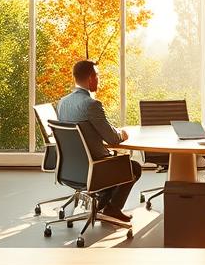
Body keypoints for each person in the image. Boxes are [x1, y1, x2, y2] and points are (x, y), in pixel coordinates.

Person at [57, 60, 142, 223]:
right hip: (94, 169)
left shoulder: (63, 103)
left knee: (116, 164)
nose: (99, 80)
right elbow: (112, 138)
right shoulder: (91, 104)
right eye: (98, 76)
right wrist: (122, 134)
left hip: (71, 169)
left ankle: (102, 204)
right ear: (91, 78)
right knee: (133, 167)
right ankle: (112, 208)